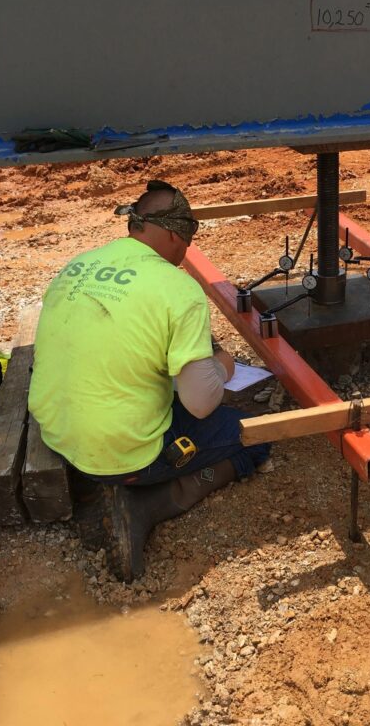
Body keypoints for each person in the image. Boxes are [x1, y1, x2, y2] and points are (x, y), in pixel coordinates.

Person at [28, 179, 270, 581]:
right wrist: (223, 365)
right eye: (188, 238)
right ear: (176, 234)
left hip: (57, 430)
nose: (187, 249)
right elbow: (201, 402)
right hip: (117, 454)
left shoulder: (78, 264)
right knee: (253, 435)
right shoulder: (178, 289)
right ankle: (150, 503)